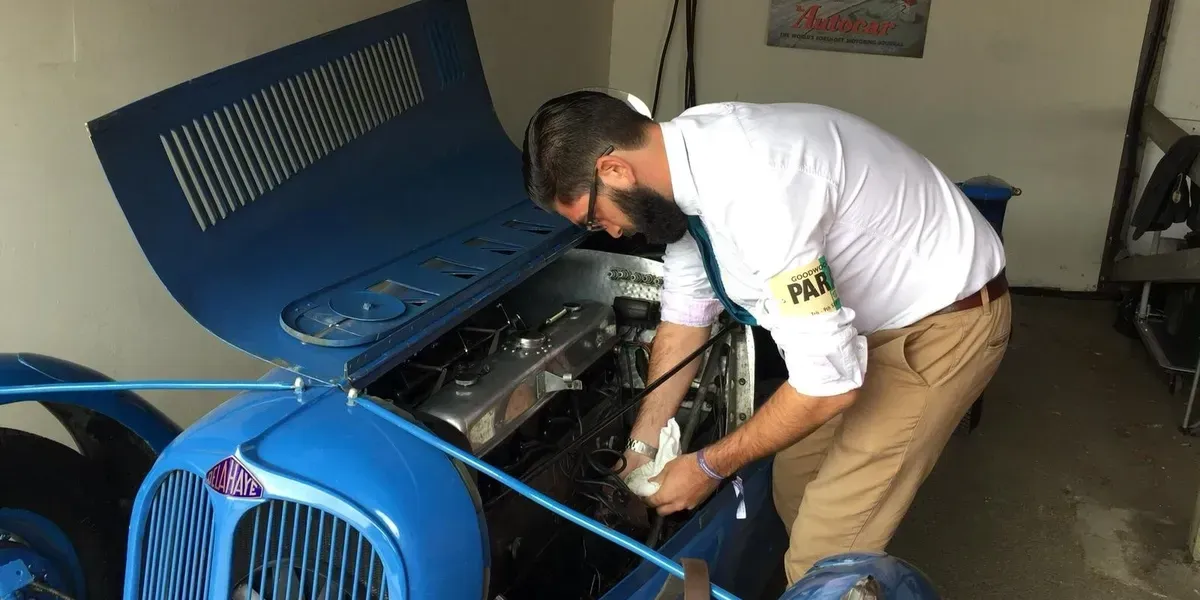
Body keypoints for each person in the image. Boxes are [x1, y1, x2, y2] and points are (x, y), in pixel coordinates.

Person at [521, 91, 1011, 583]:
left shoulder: (759, 190)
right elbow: (687, 312)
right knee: (794, 482)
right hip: (861, 328)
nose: (607, 232)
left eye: (592, 217)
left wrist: (709, 467)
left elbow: (828, 385)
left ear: (613, 170)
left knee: (825, 553)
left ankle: (836, 585)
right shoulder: (682, 163)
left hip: (940, 326)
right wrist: (644, 445)